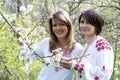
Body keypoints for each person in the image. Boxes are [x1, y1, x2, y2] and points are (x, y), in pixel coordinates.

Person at [14, 10, 83, 80]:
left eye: (62, 24)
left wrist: (74, 65)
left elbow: (83, 73)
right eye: (54, 25)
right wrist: (21, 41)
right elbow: (28, 57)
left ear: (68, 26)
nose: (58, 28)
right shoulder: (46, 43)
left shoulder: (78, 49)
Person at [61, 9, 114, 80]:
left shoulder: (102, 45)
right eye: (82, 22)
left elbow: (104, 72)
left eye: (88, 22)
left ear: (96, 25)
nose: (84, 25)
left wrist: (75, 65)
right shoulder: (87, 46)